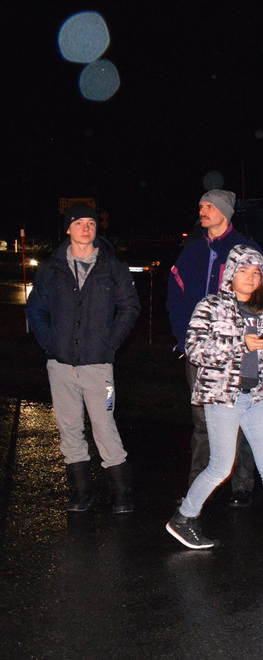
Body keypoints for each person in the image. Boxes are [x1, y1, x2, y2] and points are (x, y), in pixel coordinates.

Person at [165, 245, 263, 555]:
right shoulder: (210, 306)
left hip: (256, 397)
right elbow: (194, 350)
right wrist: (240, 343)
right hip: (223, 396)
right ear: (231, 275)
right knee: (221, 467)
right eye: (244, 271)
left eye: (256, 272)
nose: (250, 277)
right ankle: (183, 519)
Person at [26, 202, 141, 513]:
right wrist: (49, 341)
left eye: (91, 222)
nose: (86, 228)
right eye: (79, 223)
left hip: (99, 366)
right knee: (69, 427)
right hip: (60, 365)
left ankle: (121, 493)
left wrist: (110, 342)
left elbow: (130, 306)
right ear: (68, 228)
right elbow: (35, 309)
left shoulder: (112, 266)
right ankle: (81, 492)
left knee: (104, 425)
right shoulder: (52, 268)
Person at [166, 189, 259, 506]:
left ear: (225, 212)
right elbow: (175, 297)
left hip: (237, 352)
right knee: (203, 422)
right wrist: (184, 338)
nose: (202, 210)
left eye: (209, 206)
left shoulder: (246, 250)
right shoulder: (192, 251)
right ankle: (199, 486)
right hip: (200, 352)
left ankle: (242, 484)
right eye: (201, 205)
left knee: (241, 417)